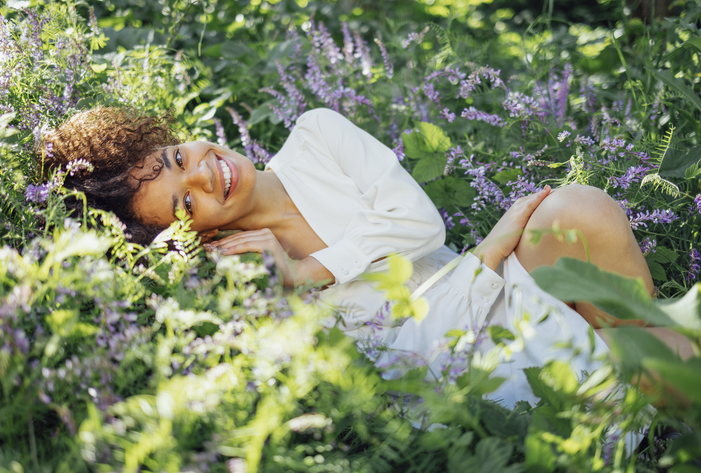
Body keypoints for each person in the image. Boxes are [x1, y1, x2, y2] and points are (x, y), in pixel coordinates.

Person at [44, 106, 691, 407]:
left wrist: (313, 270)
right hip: (466, 367)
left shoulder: (316, 139)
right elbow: (395, 359)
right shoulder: (242, 272)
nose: (206, 177)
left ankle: (658, 380)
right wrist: (287, 286)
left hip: (486, 286)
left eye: (179, 160)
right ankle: (660, 387)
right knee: (650, 360)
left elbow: (419, 225)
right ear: (190, 235)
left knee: (577, 209)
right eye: (185, 205)